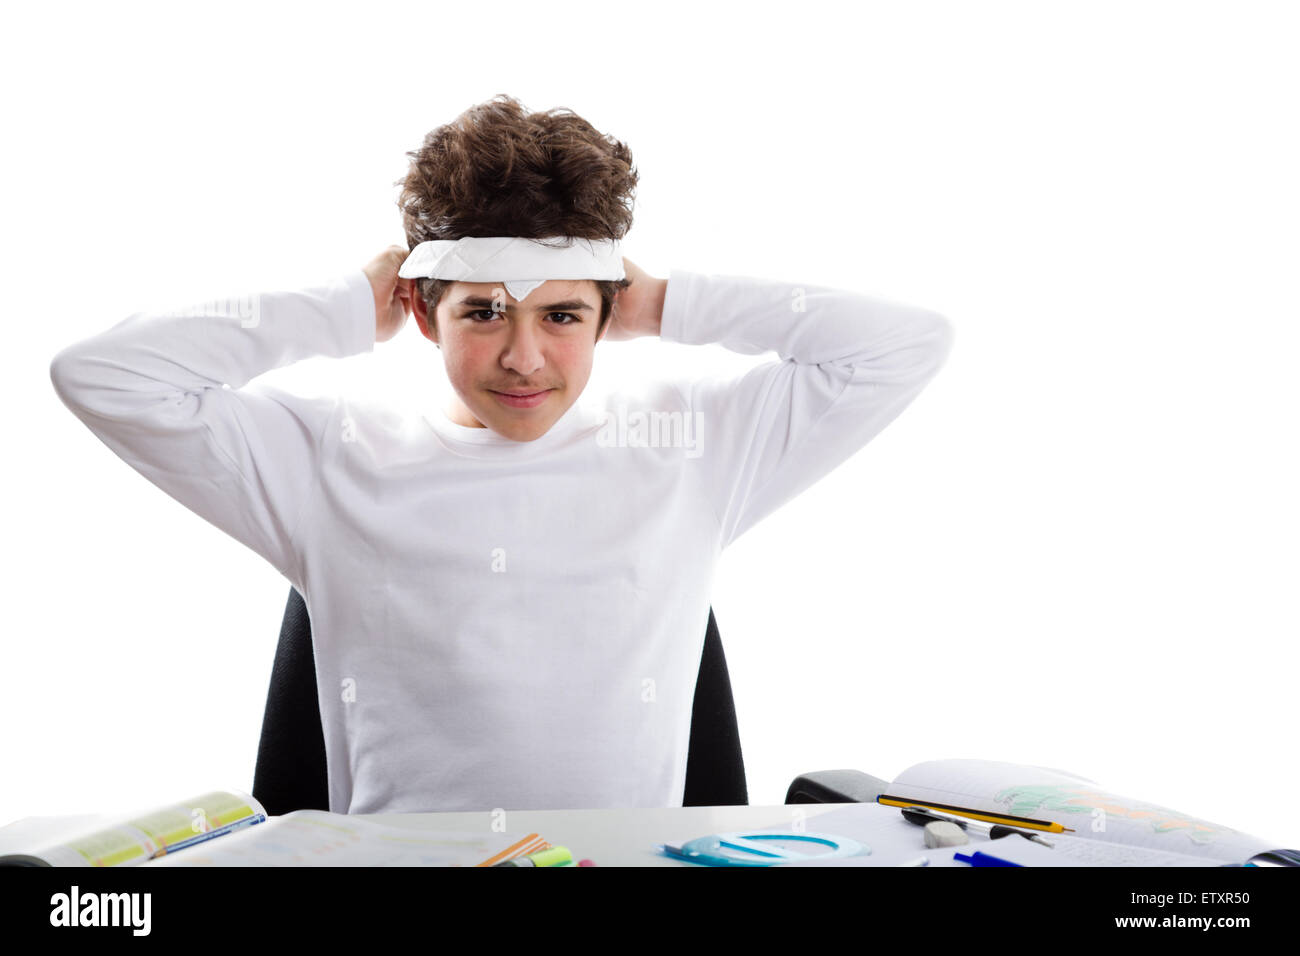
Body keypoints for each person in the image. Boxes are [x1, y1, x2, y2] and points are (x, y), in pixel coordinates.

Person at [49, 95, 953, 814]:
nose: (524, 357)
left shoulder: (694, 448)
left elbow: (905, 344)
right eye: (482, 311)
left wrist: (674, 301)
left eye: (562, 314)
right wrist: (333, 309)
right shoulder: (324, 463)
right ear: (419, 311)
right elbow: (102, 375)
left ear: (610, 313)